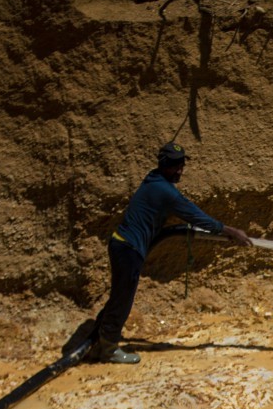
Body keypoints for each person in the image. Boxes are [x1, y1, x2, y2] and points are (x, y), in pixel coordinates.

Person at [91, 141, 253, 364]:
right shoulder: (165, 191)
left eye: (181, 165)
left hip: (122, 244)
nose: (179, 171)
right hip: (129, 249)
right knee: (123, 299)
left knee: (120, 294)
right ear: (163, 164)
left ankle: (101, 334)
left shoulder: (153, 177)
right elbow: (196, 216)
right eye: (174, 166)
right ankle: (107, 348)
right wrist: (230, 231)